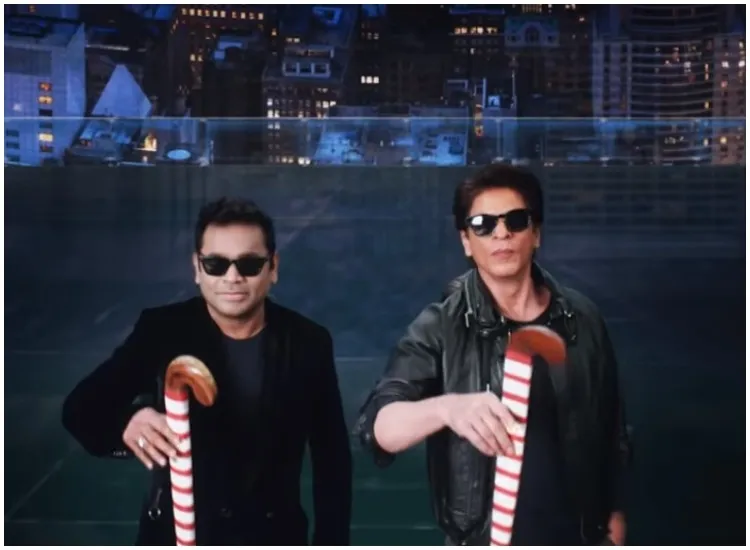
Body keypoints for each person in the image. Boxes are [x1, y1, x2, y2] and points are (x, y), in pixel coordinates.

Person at [355, 164, 632, 546]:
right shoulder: (442, 325)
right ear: (466, 241)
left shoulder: (582, 318)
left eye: (515, 220)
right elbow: (378, 428)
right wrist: (447, 408)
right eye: (483, 224)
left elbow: (613, 436)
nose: (501, 233)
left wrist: (613, 529)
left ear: (536, 233)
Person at [62, 197, 352, 546]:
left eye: (249, 264)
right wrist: (128, 420)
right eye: (215, 264)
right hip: (177, 536)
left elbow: (332, 460)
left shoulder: (309, 342)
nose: (233, 277)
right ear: (197, 269)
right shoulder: (162, 331)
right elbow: (80, 410)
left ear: (273, 267)